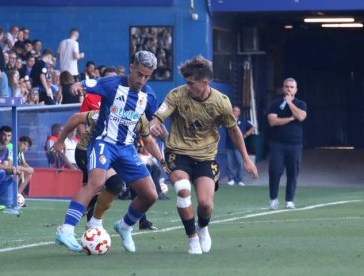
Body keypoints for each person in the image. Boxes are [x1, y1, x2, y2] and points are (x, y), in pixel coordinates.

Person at [55, 50, 163, 253]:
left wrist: (162, 136)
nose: (142, 80)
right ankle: (66, 230)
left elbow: (153, 123)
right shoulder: (112, 84)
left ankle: (124, 226)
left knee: (150, 194)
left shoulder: (148, 96)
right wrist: (77, 86)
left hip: (127, 149)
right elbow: (85, 85)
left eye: (147, 76)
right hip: (103, 143)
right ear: (131, 67)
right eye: (139, 74)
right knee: (96, 183)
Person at [150, 55, 258, 254]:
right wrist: (154, 126)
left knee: (206, 205)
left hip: (205, 157)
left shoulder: (221, 102)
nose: (187, 86)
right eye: (186, 82)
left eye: (191, 83)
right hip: (178, 154)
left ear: (205, 83)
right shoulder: (176, 95)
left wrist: (245, 159)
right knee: (182, 190)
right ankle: (192, 239)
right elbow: (158, 117)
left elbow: (234, 131)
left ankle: (202, 228)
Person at [267, 78, 307, 210]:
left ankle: (289, 200)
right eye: (287, 86)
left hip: (295, 144)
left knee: (293, 172)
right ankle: (273, 199)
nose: (289, 89)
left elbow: (301, 117)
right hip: (277, 144)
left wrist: (290, 103)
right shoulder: (274, 104)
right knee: (274, 171)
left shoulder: (301, 104)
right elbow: (273, 121)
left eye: (292, 87)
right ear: (283, 88)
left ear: (296, 90)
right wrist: (290, 118)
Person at [225, 106, 256, 187]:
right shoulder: (228, 120)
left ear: (239, 113)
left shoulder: (243, 121)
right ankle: (231, 179)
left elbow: (253, 127)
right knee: (229, 163)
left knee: (240, 163)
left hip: (239, 146)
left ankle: (239, 179)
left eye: (237, 111)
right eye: (234, 111)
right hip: (229, 145)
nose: (235, 112)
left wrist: (246, 134)